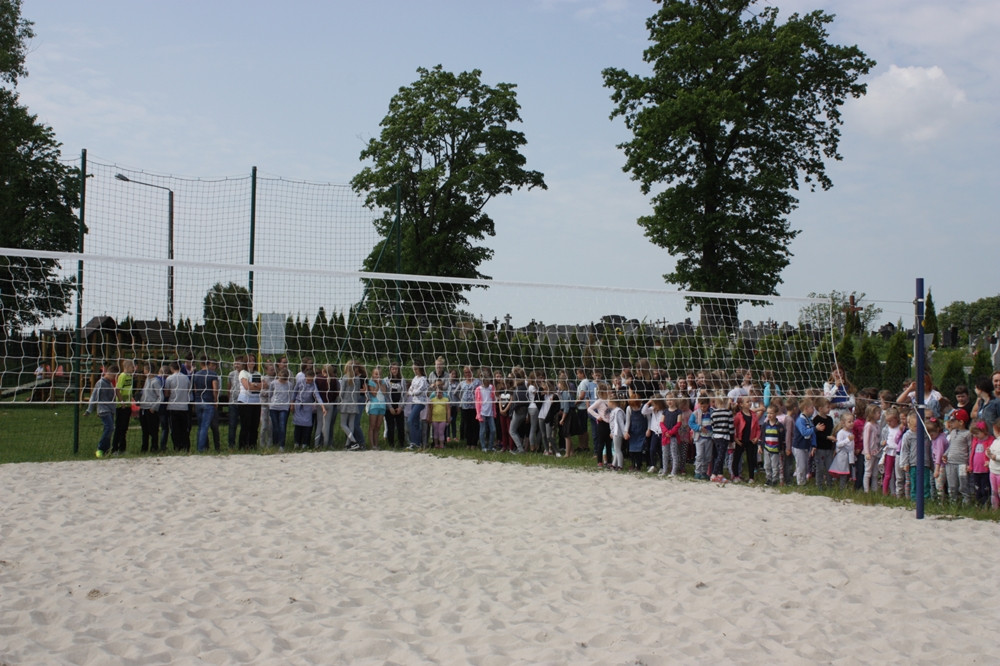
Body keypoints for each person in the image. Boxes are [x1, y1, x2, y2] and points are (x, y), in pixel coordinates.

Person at [85, 363, 118, 457]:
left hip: (110, 410)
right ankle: (100, 448)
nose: (114, 378)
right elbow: (93, 396)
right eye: (114, 376)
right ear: (110, 373)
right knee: (109, 428)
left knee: (109, 429)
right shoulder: (100, 383)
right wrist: (89, 410)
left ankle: (106, 450)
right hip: (103, 410)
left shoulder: (110, 384)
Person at [292, 368, 326, 450]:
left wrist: (323, 407)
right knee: (298, 426)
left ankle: (305, 444)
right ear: (305, 377)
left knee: (307, 426)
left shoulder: (313, 385)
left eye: (311, 380)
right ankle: (296, 443)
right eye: (308, 380)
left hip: (308, 407)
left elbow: (317, 396)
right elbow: (294, 392)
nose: (309, 381)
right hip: (299, 405)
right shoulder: (300, 381)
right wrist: (292, 404)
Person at [192, 356, 220, 453]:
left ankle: (200, 447)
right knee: (205, 427)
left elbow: (195, 389)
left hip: (198, 401)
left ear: (200, 364)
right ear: (208, 363)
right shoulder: (213, 374)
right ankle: (201, 449)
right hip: (208, 402)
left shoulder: (196, 374)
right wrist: (215, 400)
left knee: (201, 426)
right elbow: (215, 389)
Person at [942, 409, 971, 504]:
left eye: (953, 420)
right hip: (950, 462)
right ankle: (953, 503)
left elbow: (970, 449)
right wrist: (946, 454)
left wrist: (969, 463)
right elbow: (951, 445)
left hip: (962, 463)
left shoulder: (968, 434)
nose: (951, 422)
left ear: (961, 422)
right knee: (952, 485)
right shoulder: (953, 432)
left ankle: (966, 503)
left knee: (963, 485)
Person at [164, 361, 192, 452]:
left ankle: (177, 447)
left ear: (171, 368)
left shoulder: (169, 378)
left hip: (173, 406)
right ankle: (186, 447)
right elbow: (189, 390)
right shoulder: (186, 378)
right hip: (184, 407)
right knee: (184, 429)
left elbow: (166, 393)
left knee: (175, 429)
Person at [236, 355, 262, 451]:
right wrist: (256, 385)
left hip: (256, 402)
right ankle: (242, 447)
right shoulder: (243, 372)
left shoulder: (257, 373)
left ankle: (252, 446)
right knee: (245, 425)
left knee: (254, 426)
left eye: (253, 360)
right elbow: (247, 387)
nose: (252, 362)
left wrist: (254, 385)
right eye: (250, 360)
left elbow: (264, 385)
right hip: (245, 402)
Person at [732, 396, 760, 483]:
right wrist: (735, 439)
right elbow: (733, 428)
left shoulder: (754, 415)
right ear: (741, 404)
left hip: (751, 441)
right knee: (736, 458)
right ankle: (736, 476)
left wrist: (757, 437)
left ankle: (751, 477)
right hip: (740, 441)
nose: (750, 403)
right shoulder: (738, 416)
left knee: (751, 459)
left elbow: (758, 429)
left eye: (750, 401)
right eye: (747, 402)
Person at [137, 361, 162, 453]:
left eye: (144, 369)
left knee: (153, 430)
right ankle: (144, 449)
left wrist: (154, 407)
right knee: (145, 430)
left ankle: (154, 448)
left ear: (148, 370)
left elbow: (161, 396)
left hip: (151, 409)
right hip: (143, 408)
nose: (143, 371)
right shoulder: (147, 380)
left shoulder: (155, 381)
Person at [111, 358, 134, 456]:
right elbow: (117, 390)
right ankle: (114, 449)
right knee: (119, 428)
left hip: (128, 405)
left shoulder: (130, 376)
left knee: (124, 428)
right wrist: (122, 402)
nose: (133, 368)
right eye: (132, 366)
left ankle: (122, 448)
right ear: (127, 367)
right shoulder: (122, 376)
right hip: (121, 406)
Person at [792, 398, 817, 487]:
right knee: (801, 466)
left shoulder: (809, 419)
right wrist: (815, 428)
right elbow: (804, 432)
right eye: (812, 408)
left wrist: (814, 445)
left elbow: (812, 434)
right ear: (806, 408)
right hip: (799, 446)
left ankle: (803, 481)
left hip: (806, 446)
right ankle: (800, 483)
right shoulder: (800, 420)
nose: (813, 410)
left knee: (806, 465)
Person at [812, 397, 835, 489]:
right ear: (820, 409)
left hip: (829, 447)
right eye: (827, 407)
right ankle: (819, 485)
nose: (829, 409)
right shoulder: (816, 420)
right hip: (820, 447)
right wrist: (827, 437)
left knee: (830, 467)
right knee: (820, 468)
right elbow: (816, 435)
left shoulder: (830, 419)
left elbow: (831, 431)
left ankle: (830, 484)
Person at [759, 403, 785, 486]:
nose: (769, 415)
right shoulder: (765, 425)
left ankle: (774, 479)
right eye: (768, 413)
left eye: (771, 413)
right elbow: (761, 437)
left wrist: (782, 448)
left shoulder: (779, 426)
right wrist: (760, 446)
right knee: (767, 465)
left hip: (775, 449)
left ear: (776, 414)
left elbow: (782, 438)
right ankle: (768, 478)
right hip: (767, 448)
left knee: (775, 466)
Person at [314, 364, 340, 449]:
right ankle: (326, 445)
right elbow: (336, 393)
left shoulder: (318, 378)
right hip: (330, 404)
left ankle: (316, 444)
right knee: (327, 425)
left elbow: (315, 392)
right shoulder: (334, 379)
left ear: (323, 370)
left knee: (319, 425)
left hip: (321, 404)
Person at [710, 394, 734, 482]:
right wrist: (732, 438)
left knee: (719, 456)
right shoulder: (728, 413)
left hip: (716, 437)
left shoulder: (713, 413)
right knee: (721, 456)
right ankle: (714, 474)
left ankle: (720, 475)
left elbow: (712, 425)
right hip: (724, 437)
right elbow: (731, 427)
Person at [339, 360, 363, 450]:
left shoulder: (345, 378)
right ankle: (348, 445)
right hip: (354, 403)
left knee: (343, 424)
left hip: (345, 403)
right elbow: (358, 393)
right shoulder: (357, 379)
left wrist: (339, 401)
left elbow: (341, 392)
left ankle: (353, 441)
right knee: (351, 424)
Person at [456, 365, 481, 450]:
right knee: (467, 425)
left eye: (469, 372)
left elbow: (481, 392)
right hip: (465, 407)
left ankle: (474, 443)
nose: (467, 374)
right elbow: (455, 392)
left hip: (475, 407)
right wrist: (461, 400)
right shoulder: (462, 383)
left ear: (472, 372)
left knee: (475, 425)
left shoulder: (477, 382)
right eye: (465, 372)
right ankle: (468, 443)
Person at [688, 396, 713, 480]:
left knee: (707, 456)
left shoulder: (712, 412)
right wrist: (699, 428)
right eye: (701, 406)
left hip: (709, 438)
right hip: (699, 438)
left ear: (708, 405)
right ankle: (697, 472)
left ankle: (704, 472)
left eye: (704, 406)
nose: (703, 408)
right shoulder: (695, 413)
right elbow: (690, 423)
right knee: (699, 455)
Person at [828, 411, 855, 489]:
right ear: (843, 423)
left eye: (852, 421)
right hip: (842, 455)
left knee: (847, 473)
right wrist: (847, 440)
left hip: (849, 456)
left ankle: (845, 486)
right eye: (849, 422)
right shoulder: (841, 433)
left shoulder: (850, 432)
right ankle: (841, 488)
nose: (852, 423)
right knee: (843, 472)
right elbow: (838, 444)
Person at [269, 368, 293, 451]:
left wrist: (291, 405)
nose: (283, 381)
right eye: (281, 379)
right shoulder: (273, 383)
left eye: (284, 379)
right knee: (275, 427)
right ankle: (275, 444)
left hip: (284, 407)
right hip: (273, 407)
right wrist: (270, 404)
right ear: (278, 376)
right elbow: (270, 394)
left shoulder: (289, 384)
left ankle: (282, 445)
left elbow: (291, 395)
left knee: (282, 426)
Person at [969, 421, 992, 506]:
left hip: (985, 470)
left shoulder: (990, 440)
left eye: (977, 433)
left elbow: (991, 453)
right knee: (977, 488)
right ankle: (978, 504)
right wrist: (970, 465)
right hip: (976, 469)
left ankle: (986, 504)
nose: (975, 436)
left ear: (984, 431)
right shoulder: (975, 441)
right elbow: (972, 454)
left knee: (985, 488)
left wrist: (989, 461)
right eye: (973, 434)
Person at [861, 404, 883, 493]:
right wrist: (867, 452)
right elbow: (866, 440)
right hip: (870, 452)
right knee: (868, 471)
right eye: (878, 413)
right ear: (872, 414)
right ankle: (866, 490)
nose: (880, 415)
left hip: (876, 451)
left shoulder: (877, 425)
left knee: (875, 473)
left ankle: (874, 489)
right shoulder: (869, 425)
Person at [407, 362, 428, 450]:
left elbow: (418, 391)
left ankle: (414, 442)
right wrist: (412, 392)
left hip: (420, 402)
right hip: (414, 401)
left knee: (410, 420)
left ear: (420, 368)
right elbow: (410, 390)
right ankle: (417, 443)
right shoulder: (415, 378)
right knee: (415, 422)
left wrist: (412, 392)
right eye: (413, 369)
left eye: (416, 369)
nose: (414, 371)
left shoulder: (423, 379)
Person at [384, 363, 406, 448]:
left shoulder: (402, 380)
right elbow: (385, 395)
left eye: (396, 369)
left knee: (401, 426)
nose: (394, 370)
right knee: (390, 427)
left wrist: (401, 406)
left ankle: (401, 444)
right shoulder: (386, 380)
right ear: (390, 370)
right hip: (389, 407)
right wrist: (390, 407)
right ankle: (391, 445)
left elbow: (404, 394)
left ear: (398, 370)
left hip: (399, 406)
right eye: (393, 369)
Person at [475, 371, 496, 452]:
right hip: (482, 412)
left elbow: (493, 399)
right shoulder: (478, 389)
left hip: (490, 412)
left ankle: (490, 446)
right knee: (482, 430)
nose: (488, 382)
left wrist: (494, 411)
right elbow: (477, 403)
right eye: (486, 380)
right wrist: (478, 414)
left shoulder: (491, 387)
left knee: (493, 430)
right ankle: (483, 447)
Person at [366, 367, 387, 450]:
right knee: (372, 426)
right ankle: (372, 445)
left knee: (378, 426)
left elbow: (384, 392)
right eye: (376, 374)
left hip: (382, 406)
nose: (378, 376)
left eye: (379, 374)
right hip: (374, 406)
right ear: (372, 375)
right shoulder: (371, 382)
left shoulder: (383, 382)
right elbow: (374, 393)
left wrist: (380, 383)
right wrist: (377, 384)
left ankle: (376, 444)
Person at [226, 358, 243, 450]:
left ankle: (242, 445)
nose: (236, 365)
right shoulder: (231, 374)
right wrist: (230, 399)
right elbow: (228, 388)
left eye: (238, 363)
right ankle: (231, 446)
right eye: (235, 363)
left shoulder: (245, 373)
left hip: (243, 402)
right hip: (233, 402)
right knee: (232, 425)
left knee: (244, 425)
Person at [428, 379, 450, 449]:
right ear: (435, 393)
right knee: (435, 432)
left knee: (441, 432)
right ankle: (436, 445)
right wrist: (430, 417)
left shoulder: (446, 399)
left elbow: (448, 409)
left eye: (440, 392)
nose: (438, 394)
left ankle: (442, 445)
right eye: (437, 392)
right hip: (435, 419)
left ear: (442, 393)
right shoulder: (432, 400)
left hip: (442, 419)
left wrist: (448, 418)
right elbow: (430, 409)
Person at [607, 396, 626, 471]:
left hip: (618, 432)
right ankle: (614, 464)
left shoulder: (618, 411)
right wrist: (611, 432)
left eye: (608, 402)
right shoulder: (613, 411)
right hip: (614, 432)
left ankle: (620, 465)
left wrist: (624, 433)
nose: (607, 403)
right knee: (615, 449)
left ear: (612, 403)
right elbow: (612, 424)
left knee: (617, 449)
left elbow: (621, 423)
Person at [987, 420, 1000, 509]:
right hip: (993, 471)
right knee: (994, 491)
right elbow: (990, 452)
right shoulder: (995, 441)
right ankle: (995, 508)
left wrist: (996, 457)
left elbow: (995, 456)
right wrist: (988, 453)